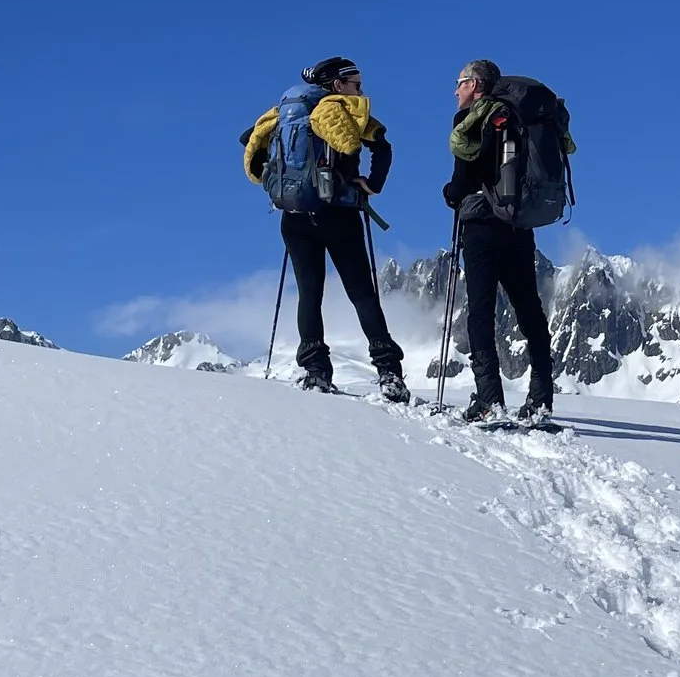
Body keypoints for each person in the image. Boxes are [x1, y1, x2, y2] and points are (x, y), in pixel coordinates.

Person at [242, 57, 410, 401]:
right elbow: (383, 146)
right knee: (362, 293)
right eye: (355, 85)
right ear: (337, 85)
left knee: (310, 293)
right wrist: (371, 184)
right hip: (340, 214)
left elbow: (248, 140)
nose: (360, 91)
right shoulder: (347, 113)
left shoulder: (283, 114)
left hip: (296, 217)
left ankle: (316, 370)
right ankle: (389, 371)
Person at [442, 58, 567, 422]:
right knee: (528, 308)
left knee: (480, 310)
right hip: (519, 224)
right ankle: (541, 399)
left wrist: (450, 192)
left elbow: (462, 179)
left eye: (460, 81)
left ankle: (488, 399)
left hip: (482, 225)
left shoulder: (476, 118)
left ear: (476, 85)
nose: (456, 89)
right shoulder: (524, 117)